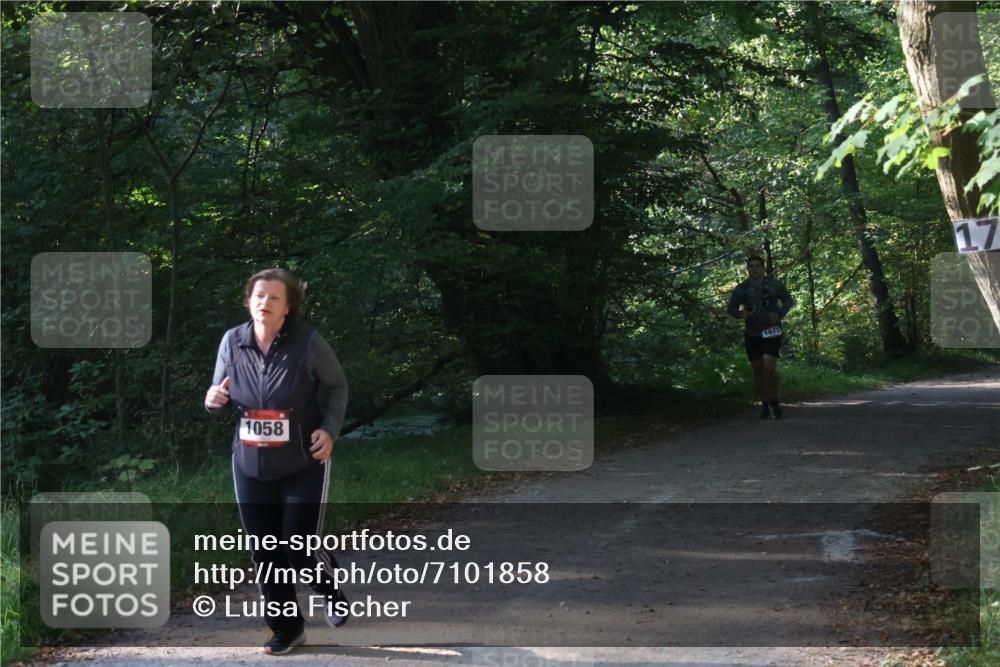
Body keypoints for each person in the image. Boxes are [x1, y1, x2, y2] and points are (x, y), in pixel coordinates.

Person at [204, 268, 349, 655]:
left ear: (288, 308)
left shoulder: (308, 343)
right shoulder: (232, 341)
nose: (264, 302)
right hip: (251, 462)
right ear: (248, 301)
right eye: (258, 296)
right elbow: (218, 390)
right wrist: (212, 399)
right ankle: (287, 628)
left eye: (273, 298)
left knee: (298, 546)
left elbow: (337, 387)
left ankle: (326, 585)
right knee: (265, 548)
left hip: (304, 457)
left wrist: (330, 430)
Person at [726, 255, 794, 419]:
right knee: (758, 368)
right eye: (751, 266)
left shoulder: (774, 285)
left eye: (757, 266)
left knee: (769, 366)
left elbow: (788, 301)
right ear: (748, 270)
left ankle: (775, 402)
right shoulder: (742, 288)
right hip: (752, 332)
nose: (754, 269)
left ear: (763, 268)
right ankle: (764, 404)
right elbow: (731, 308)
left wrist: (778, 313)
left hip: (772, 331)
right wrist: (741, 314)